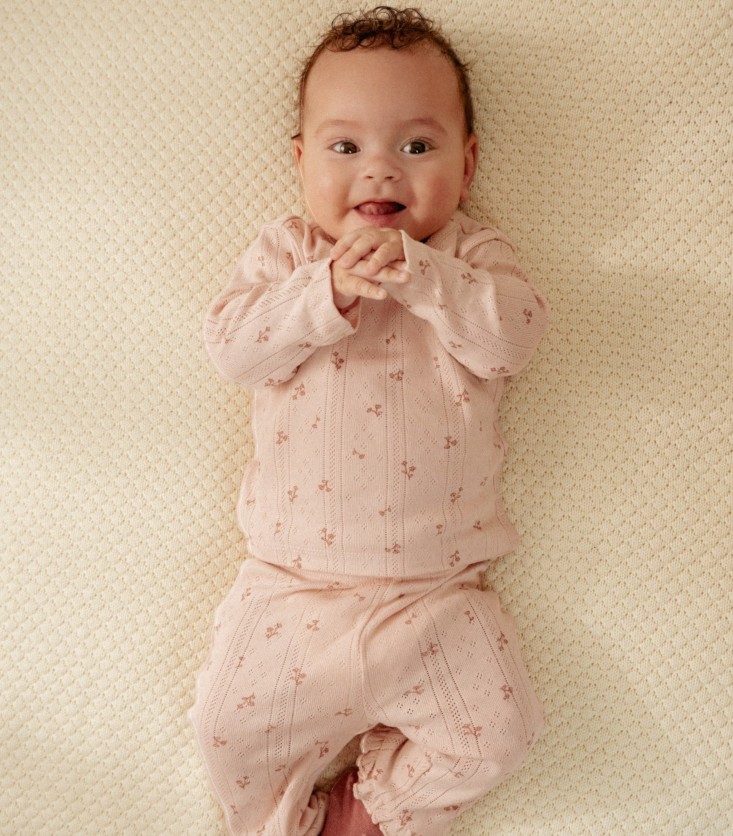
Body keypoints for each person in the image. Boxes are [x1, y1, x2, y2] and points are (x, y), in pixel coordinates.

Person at [191, 7, 548, 835]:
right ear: (301, 162)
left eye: (416, 146)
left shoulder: (467, 256)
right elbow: (231, 347)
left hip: (437, 596)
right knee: (223, 731)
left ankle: (380, 806)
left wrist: (426, 277)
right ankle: (287, 821)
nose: (380, 170)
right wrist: (323, 294)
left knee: (503, 733)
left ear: (467, 165)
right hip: (292, 590)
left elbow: (515, 338)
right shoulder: (290, 254)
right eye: (346, 147)